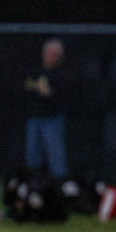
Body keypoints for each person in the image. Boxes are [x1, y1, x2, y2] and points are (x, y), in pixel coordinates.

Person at [23, 38, 69, 179]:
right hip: (34, 119)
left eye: (55, 54)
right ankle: (34, 183)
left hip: (52, 120)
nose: (51, 56)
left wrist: (46, 93)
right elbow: (27, 92)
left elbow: (59, 97)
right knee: (32, 155)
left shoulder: (61, 75)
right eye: (49, 53)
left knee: (56, 158)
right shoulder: (35, 73)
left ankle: (60, 184)